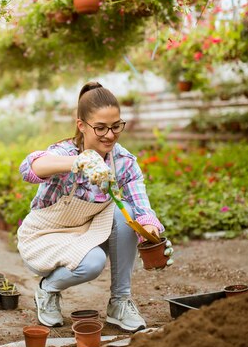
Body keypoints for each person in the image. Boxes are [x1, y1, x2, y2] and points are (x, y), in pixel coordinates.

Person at [17, 81, 173, 332]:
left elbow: (142, 208)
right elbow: (29, 169)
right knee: (92, 264)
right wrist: (77, 162)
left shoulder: (123, 162)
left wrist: (151, 234)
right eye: (100, 128)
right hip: (46, 236)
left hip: (88, 234)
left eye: (115, 126)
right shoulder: (64, 151)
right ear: (82, 125)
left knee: (128, 212)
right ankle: (48, 289)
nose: (110, 135)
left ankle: (120, 303)